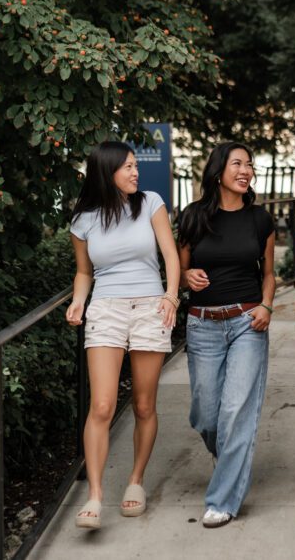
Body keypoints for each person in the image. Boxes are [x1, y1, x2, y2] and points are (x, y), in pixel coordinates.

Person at [66, 141, 181, 529]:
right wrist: (79, 301)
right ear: (106, 170)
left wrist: (171, 296)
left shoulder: (150, 203)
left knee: (144, 404)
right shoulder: (83, 220)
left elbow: (171, 255)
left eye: (136, 166)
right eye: (128, 167)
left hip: (151, 306)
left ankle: (135, 482)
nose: (136, 172)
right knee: (102, 406)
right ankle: (95, 496)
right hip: (106, 309)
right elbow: (84, 272)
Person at [177, 142, 276, 529]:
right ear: (218, 171)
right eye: (238, 163)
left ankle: (223, 499)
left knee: (237, 410)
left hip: (246, 322)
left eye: (249, 164)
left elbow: (268, 273)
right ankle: (230, 459)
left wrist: (266, 306)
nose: (246, 170)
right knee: (205, 414)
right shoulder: (193, 217)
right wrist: (186, 277)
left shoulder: (259, 219)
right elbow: (179, 270)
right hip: (202, 323)